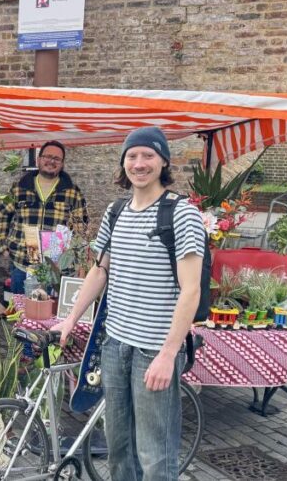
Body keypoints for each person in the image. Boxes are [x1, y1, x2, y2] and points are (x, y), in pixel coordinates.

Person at [51, 126, 204, 480]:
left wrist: (168, 354)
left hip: (154, 348)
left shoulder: (181, 213)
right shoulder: (115, 211)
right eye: (132, 156)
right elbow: (99, 271)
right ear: (123, 163)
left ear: (163, 162)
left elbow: (191, 290)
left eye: (148, 155)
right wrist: (71, 318)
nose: (139, 163)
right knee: (118, 447)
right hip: (115, 344)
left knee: (154, 454)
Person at [0, 140, 89, 294]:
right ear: (38, 159)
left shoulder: (72, 192)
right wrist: (2, 247)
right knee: (20, 308)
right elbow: (2, 215)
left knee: (50, 308)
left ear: (62, 164)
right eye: (47, 156)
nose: (51, 161)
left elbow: (81, 228)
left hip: (55, 269)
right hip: (22, 266)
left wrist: (76, 261)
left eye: (56, 159)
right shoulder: (20, 188)